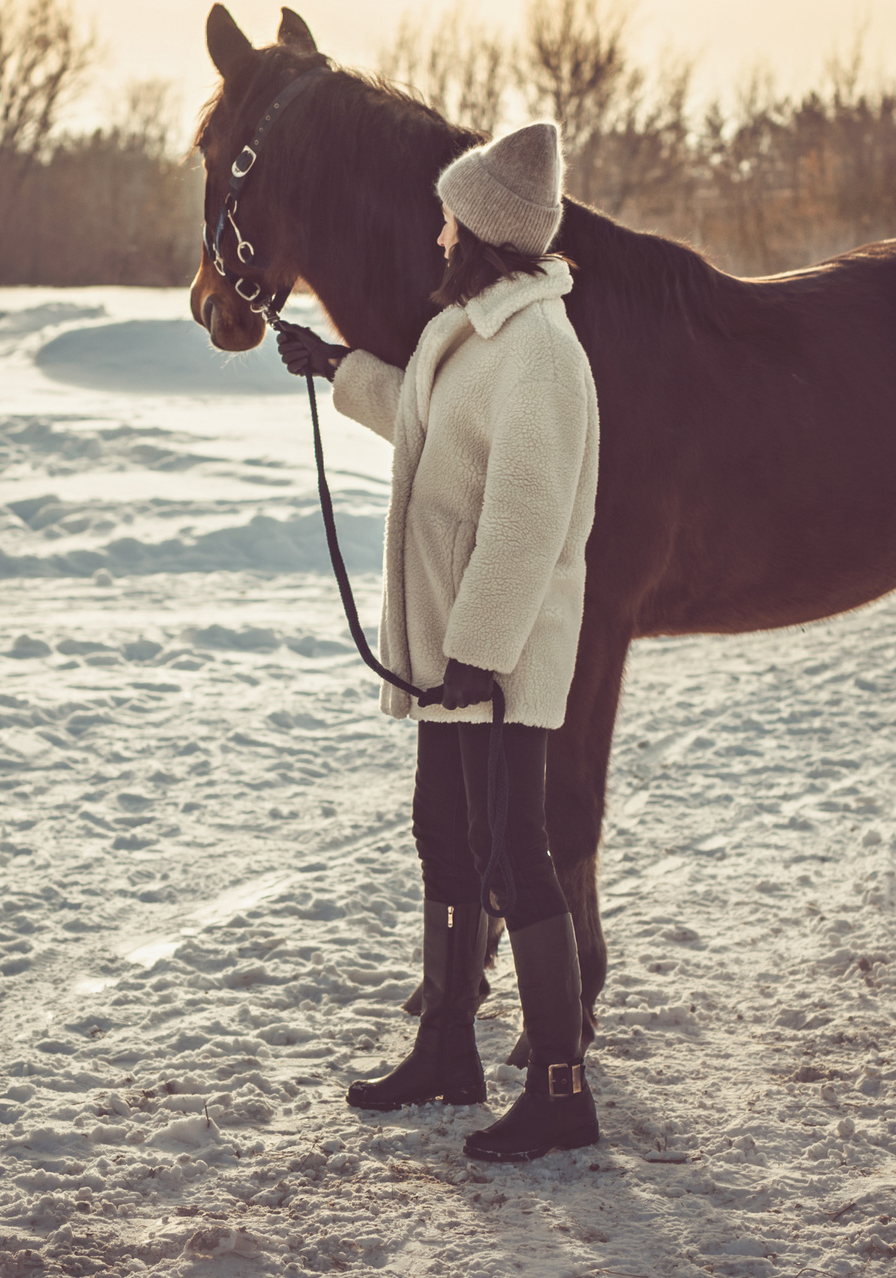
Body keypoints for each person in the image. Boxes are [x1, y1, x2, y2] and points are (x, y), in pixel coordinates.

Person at [274, 121, 603, 1163]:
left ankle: (560, 1089)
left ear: (487, 232)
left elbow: (525, 514)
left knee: (516, 853)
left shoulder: (539, 349)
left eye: (452, 218)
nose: (439, 231)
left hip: (492, 658)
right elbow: (423, 419)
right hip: (452, 652)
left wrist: (480, 647)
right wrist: (336, 367)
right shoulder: (473, 331)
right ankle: (448, 1046)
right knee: (446, 835)